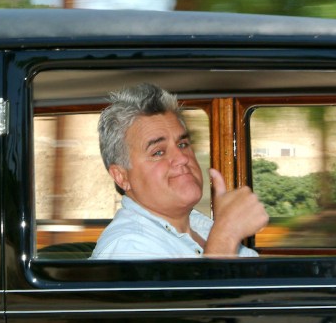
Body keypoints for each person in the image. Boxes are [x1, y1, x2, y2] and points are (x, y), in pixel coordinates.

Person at [90, 83, 269, 260]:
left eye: (182, 144)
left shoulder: (202, 227)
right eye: (158, 152)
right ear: (121, 177)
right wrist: (226, 235)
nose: (182, 158)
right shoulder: (128, 247)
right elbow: (200, 291)